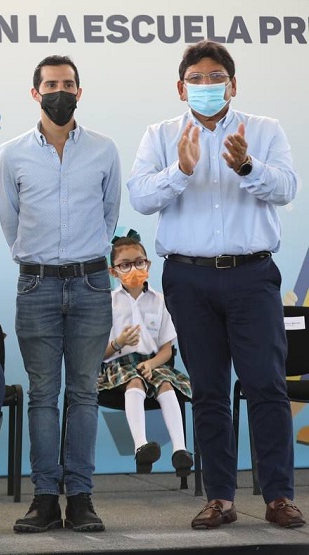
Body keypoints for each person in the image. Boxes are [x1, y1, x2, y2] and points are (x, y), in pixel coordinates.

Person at [128, 40, 303, 530]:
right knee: (207, 389)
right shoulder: (160, 135)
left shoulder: (264, 131)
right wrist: (181, 171)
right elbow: (141, 196)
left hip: (252, 275)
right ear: (181, 87)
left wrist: (247, 166)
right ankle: (220, 498)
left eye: (217, 76)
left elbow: (287, 187)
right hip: (188, 277)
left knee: (267, 385)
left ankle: (278, 495)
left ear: (233, 83)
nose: (208, 85)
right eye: (198, 78)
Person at [0, 55, 121, 533]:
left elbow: (109, 217)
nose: (59, 91)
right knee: (44, 395)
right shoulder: (12, 153)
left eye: (68, 84)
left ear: (80, 92)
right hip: (37, 283)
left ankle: (82, 498)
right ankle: (45, 497)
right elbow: (11, 222)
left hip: (91, 283)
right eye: (50, 84)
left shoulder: (105, 149)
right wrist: (41, 261)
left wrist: (82, 258)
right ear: (35, 93)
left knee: (84, 393)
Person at [98, 233, 193, 476]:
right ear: (113, 271)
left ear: (148, 264)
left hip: (154, 363)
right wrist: (118, 343)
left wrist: (152, 363)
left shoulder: (160, 301)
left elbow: (167, 349)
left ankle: (180, 450)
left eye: (139, 262)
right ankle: (141, 445)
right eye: (125, 265)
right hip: (118, 366)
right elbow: (98, 352)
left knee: (166, 384)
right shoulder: (107, 303)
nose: (134, 269)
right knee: (135, 380)